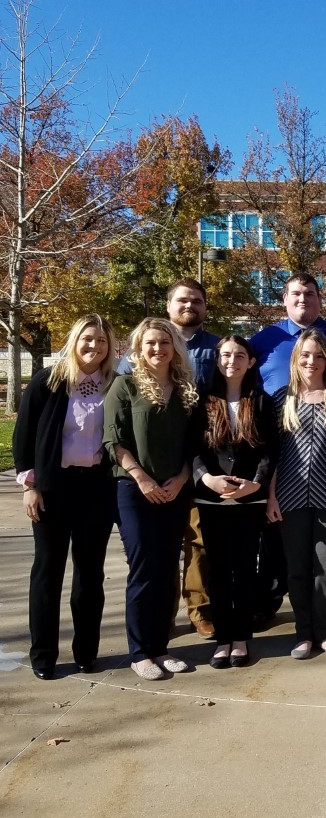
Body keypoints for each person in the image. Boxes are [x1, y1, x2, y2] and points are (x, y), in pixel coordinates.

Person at [250, 272, 326, 626]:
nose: (303, 299)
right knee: (281, 549)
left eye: (311, 294)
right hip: (282, 450)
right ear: (285, 299)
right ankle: (276, 604)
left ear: (321, 300)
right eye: (296, 294)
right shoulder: (264, 340)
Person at [13, 315, 119, 679]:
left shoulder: (114, 385)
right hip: (53, 490)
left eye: (102, 341)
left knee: (90, 575)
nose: (94, 346)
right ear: (75, 340)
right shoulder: (49, 381)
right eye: (88, 339)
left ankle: (86, 652)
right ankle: (43, 654)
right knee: (47, 573)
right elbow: (23, 437)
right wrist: (30, 486)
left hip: (96, 490)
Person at [120, 278, 220, 639]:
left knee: (197, 540)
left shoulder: (216, 347)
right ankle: (161, 614)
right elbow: (119, 408)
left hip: (196, 458)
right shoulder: (140, 351)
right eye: (182, 300)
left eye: (196, 300)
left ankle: (199, 609)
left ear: (205, 307)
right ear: (168, 305)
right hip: (147, 466)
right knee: (154, 549)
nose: (189, 305)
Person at [103, 318, 200, 680]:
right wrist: (142, 478)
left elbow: (195, 446)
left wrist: (180, 480)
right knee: (144, 568)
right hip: (134, 489)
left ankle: (161, 647)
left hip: (175, 489)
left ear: (174, 346)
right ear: (138, 350)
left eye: (163, 342)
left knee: (166, 570)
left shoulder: (186, 390)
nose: (158, 349)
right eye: (150, 344)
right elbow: (114, 441)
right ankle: (140, 652)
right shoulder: (123, 386)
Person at [267, 328, 326, 660]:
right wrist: (271, 497)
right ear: (295, 360)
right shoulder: (280, 400)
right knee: (297, 568)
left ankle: (323, 631)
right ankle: (303, 633)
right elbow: (272, 456)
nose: (311, 361)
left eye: (318, 355)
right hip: (289, 497)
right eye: (305, 355)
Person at [194, 336, 276, 669]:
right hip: (211, 499)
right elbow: (193, 448)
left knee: (244, 570)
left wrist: (255, 484)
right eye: (226, 354)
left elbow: (271, 449)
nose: (232, 360)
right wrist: (206, 478)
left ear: (251, 362)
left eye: (239, 355)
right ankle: (223, 639)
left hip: (248, 500)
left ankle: (241, 638)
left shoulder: (260, 401)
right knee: (217, 570)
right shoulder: (202, 401)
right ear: (217, 360)